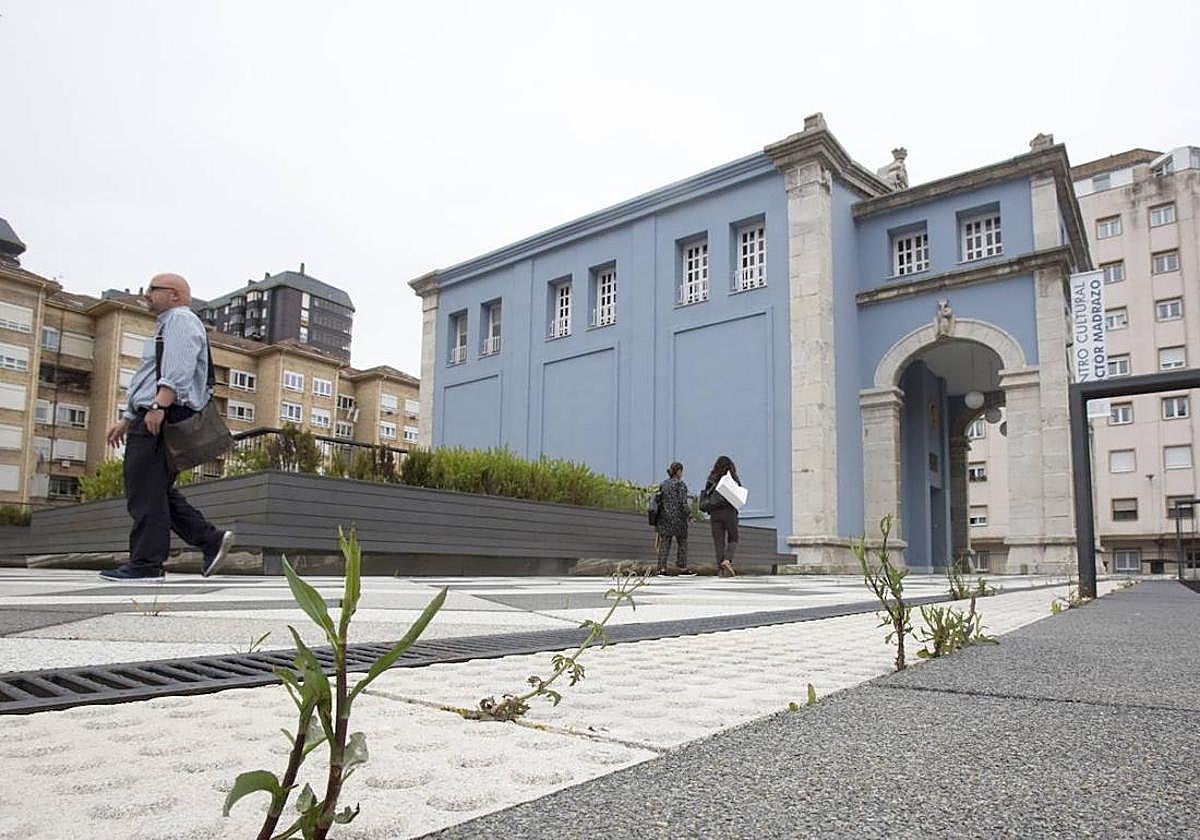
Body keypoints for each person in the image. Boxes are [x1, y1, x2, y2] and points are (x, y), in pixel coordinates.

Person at [100, 273, 234, 582]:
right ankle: (211, 540)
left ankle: (146, 564)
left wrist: (159, 404)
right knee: (155, 490)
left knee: (144, 489)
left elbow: (178, 365)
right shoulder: (169, 324)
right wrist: (129, 417)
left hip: (161, 413)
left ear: (173, 295)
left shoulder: (180, 320)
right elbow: (150, 375)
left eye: (152, 290)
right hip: (150, 413)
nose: (146, 294)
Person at [702, 455, 741, 577]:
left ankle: (721, 570)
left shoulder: (711, 478)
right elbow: (738, 492)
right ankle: (727, 561)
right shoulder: (732, 478)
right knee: (733, 538)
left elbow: (707, 493)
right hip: (729, 511)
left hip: (714, 513)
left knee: (719, 542)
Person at [654, 461, 695, 576]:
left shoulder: (663, 484)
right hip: (678, 519)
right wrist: (689, 515)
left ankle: (661, 568)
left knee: (665, 544)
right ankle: (682, 568)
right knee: (682, 542)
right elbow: (683, 502)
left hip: (664, 518)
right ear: (678, 471)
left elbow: (660, 501)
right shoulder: (680, 484)